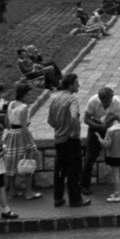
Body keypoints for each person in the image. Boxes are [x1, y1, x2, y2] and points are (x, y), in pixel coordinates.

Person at [47, 73, 88, 207]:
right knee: (74, 171)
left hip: (59, 139)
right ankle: (75, 199)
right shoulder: (72, 99)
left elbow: (50, 120)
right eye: (77, 83)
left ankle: (58, 198)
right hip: (70, 140)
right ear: (70, 85)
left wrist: (59, 128)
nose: (79, 85)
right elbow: (74, 117)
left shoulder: (55, 99)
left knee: (60, 170)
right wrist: (75, 132)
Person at [82, 85, 120, 192]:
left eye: (107, 102)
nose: (105, 105)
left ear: (111, 98)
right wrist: (99, 126)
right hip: (96, 126)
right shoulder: (93, 101)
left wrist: (112, 128)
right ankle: (85, 185)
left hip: (112, 127)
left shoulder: (118, 103)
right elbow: (86, 119)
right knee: (90, 156)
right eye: (102, 102)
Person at [2, 82, 41, 201]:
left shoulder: (11, 104)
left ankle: (12, 191)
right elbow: (24, 127)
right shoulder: (23, 108)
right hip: (22, 135)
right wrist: (27, 143)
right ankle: (28, 192)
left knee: (12, 163)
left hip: (12, 134)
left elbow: (6, 122)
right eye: (28, 95)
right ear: (23, 95)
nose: (29, 97)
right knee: (28, 161)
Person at [102, 119, 120, 201]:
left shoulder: (110, 130)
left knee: (116, 175)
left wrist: (100, 140)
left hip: (114, 155)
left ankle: (116, 195)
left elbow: (107, 144)